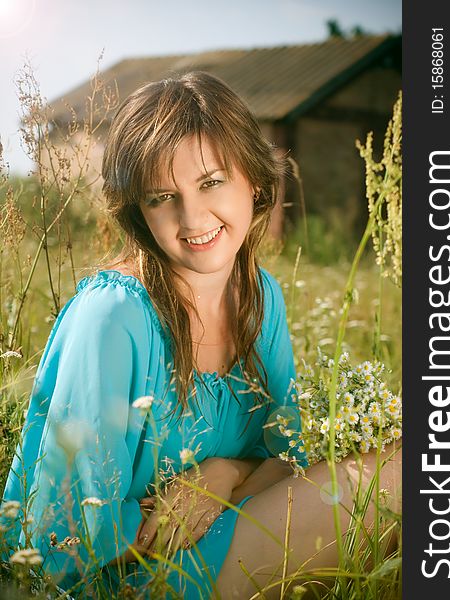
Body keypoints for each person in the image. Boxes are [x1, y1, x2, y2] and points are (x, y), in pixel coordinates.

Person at [1, 71, 401, 600]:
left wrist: (222, 474)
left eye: (210, 182)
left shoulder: (261, 296)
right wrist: (207, 502)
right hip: (125, 576)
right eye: (162, 196)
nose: (192, 218)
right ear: (139, 212)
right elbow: (67, 538)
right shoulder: (114, 315)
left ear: (254, 182)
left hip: (220, 528)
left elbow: (287, 452)